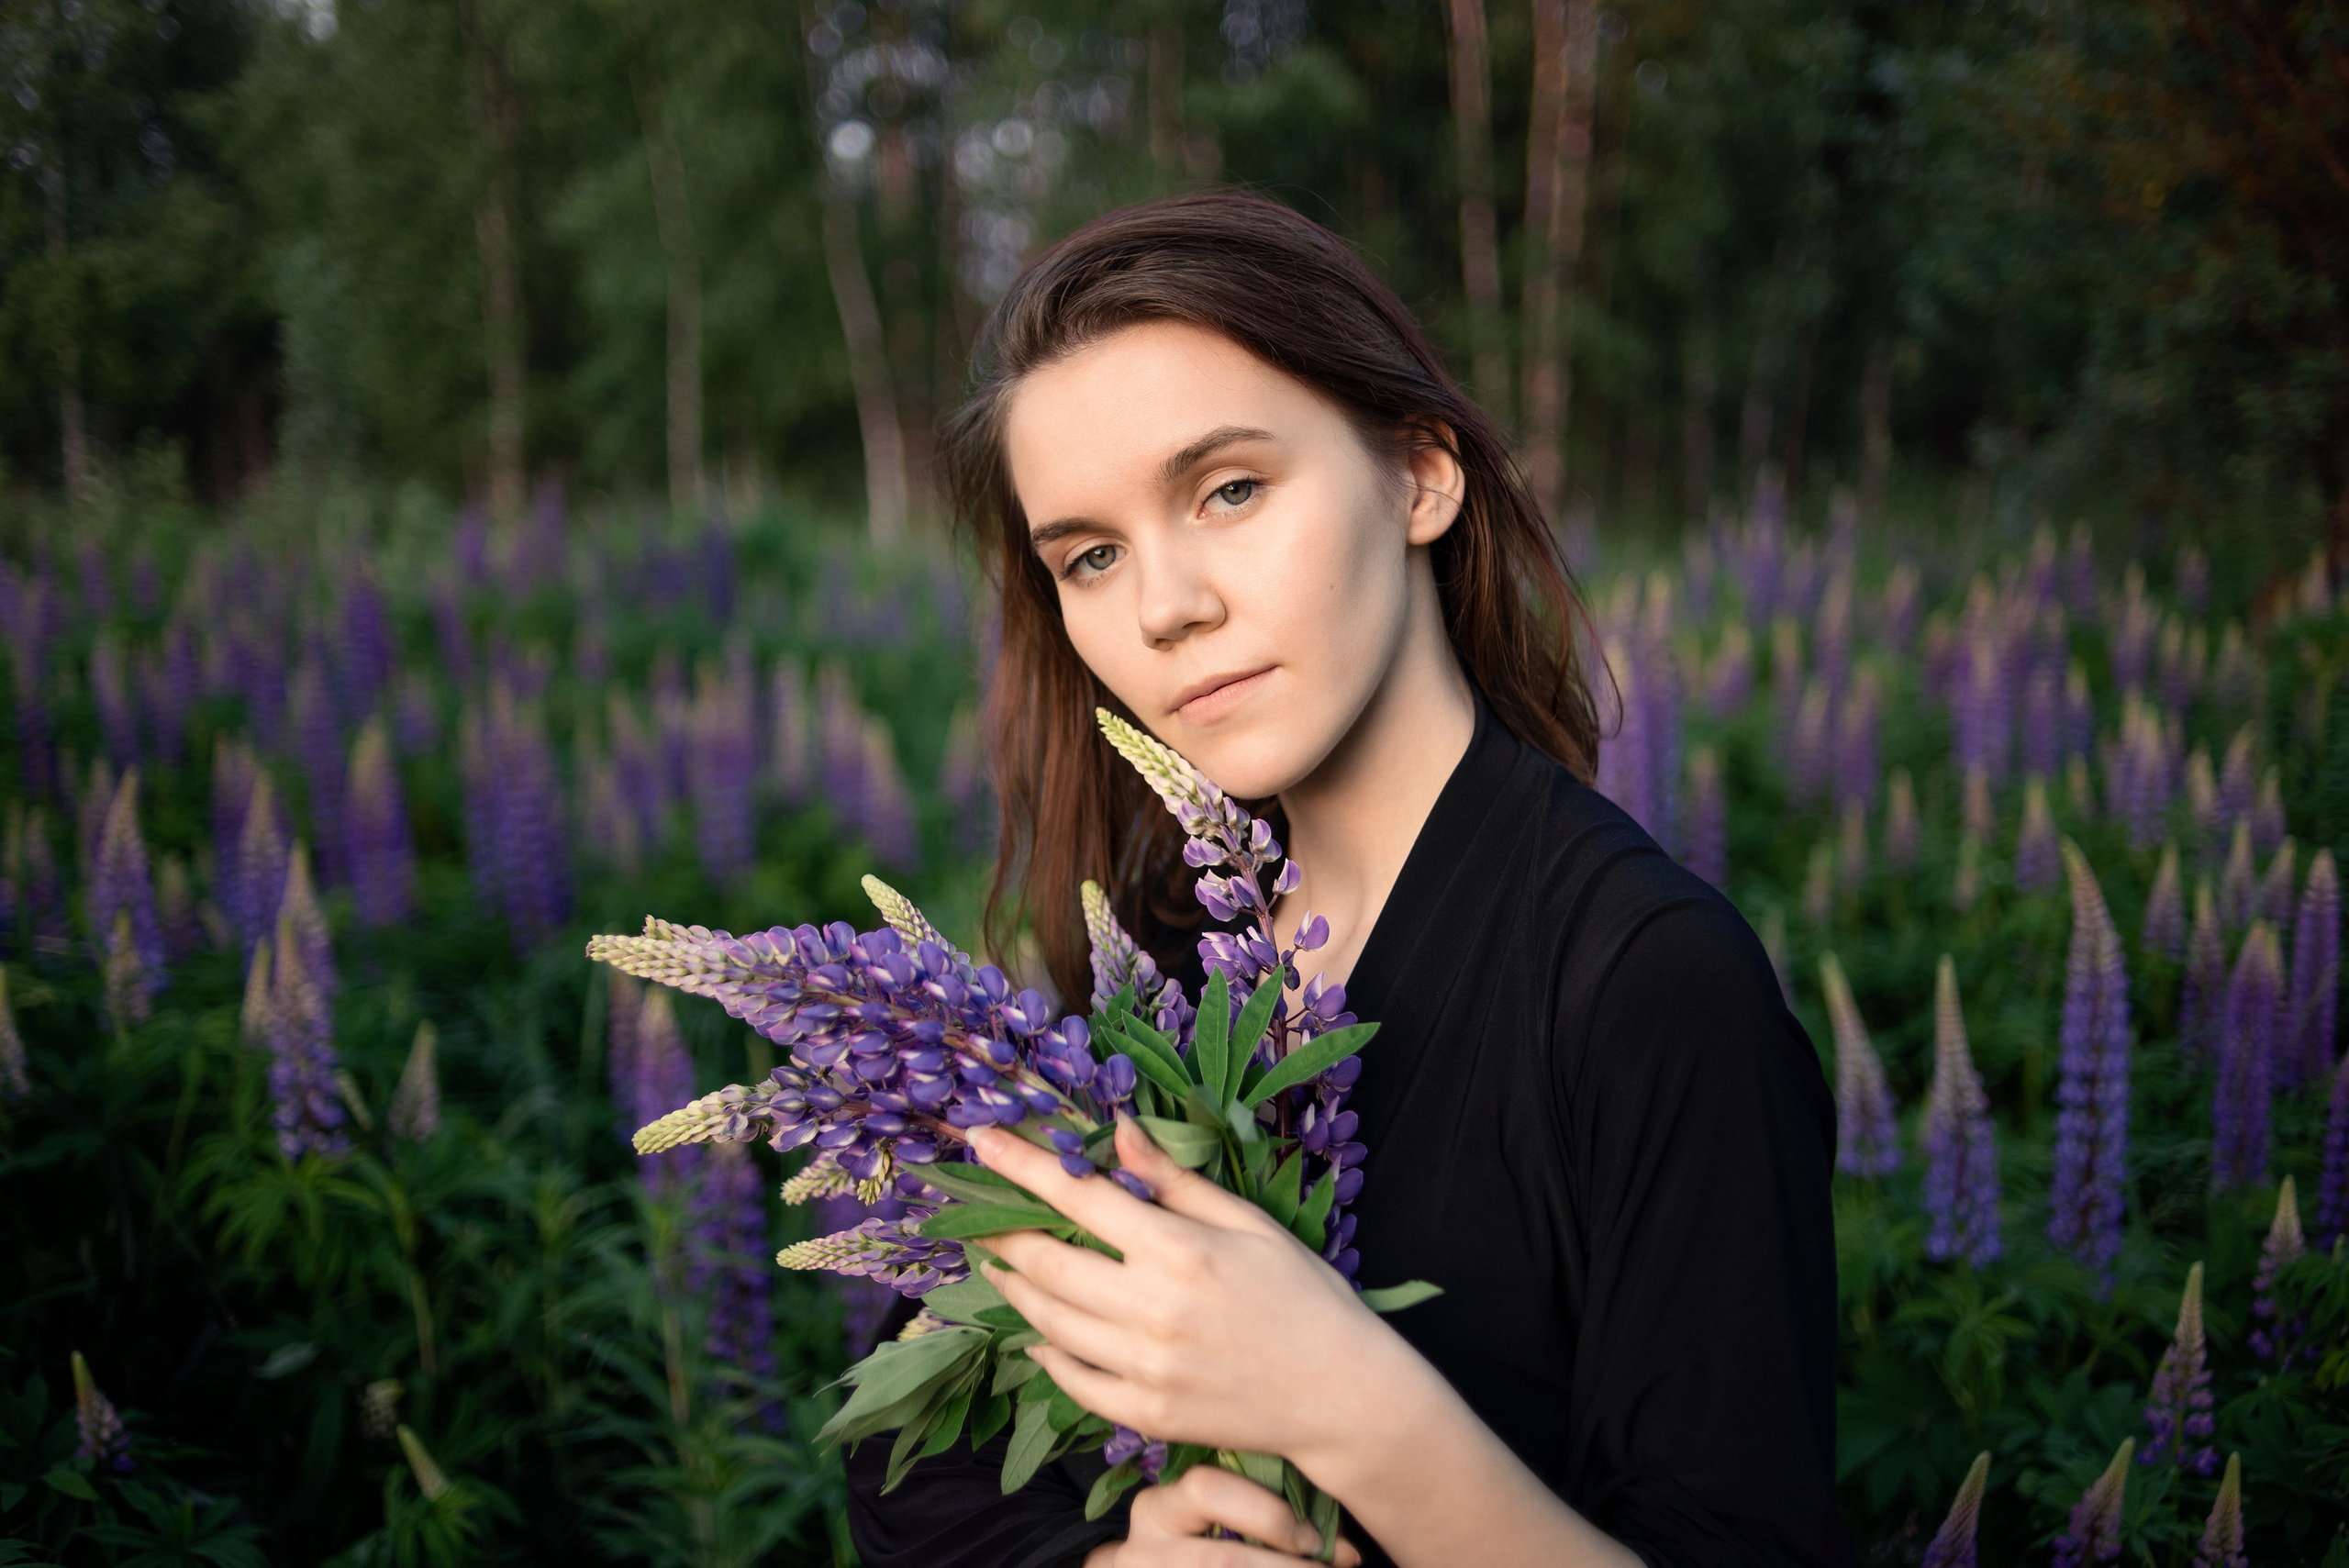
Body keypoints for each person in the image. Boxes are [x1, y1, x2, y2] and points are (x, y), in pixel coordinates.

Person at [843, 192, 1853, 1568]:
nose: (1165, 605)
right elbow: (917, 1472)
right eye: (1092, 554)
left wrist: (1354, 1404)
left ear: (1419, 473)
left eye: (1230, 489)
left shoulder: (1652, 986)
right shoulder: (1154, 962)